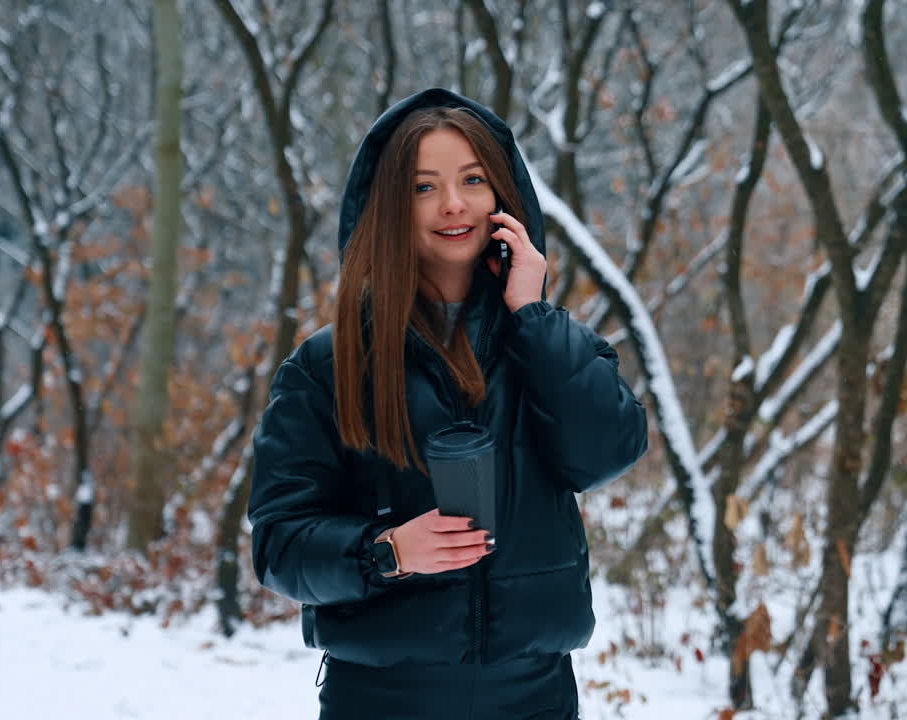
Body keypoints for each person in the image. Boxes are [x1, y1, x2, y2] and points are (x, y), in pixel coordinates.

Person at [248, 88, 649, 719]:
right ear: (388, 207)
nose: (454, 204)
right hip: (381, 699)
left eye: (472, 179)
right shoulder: (328, 367)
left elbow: (607, 453)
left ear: (503, 196)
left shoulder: (546, 342)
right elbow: (278, 545)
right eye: (423, 187)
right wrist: (388, 552)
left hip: (534, 695)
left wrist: (533, 315)